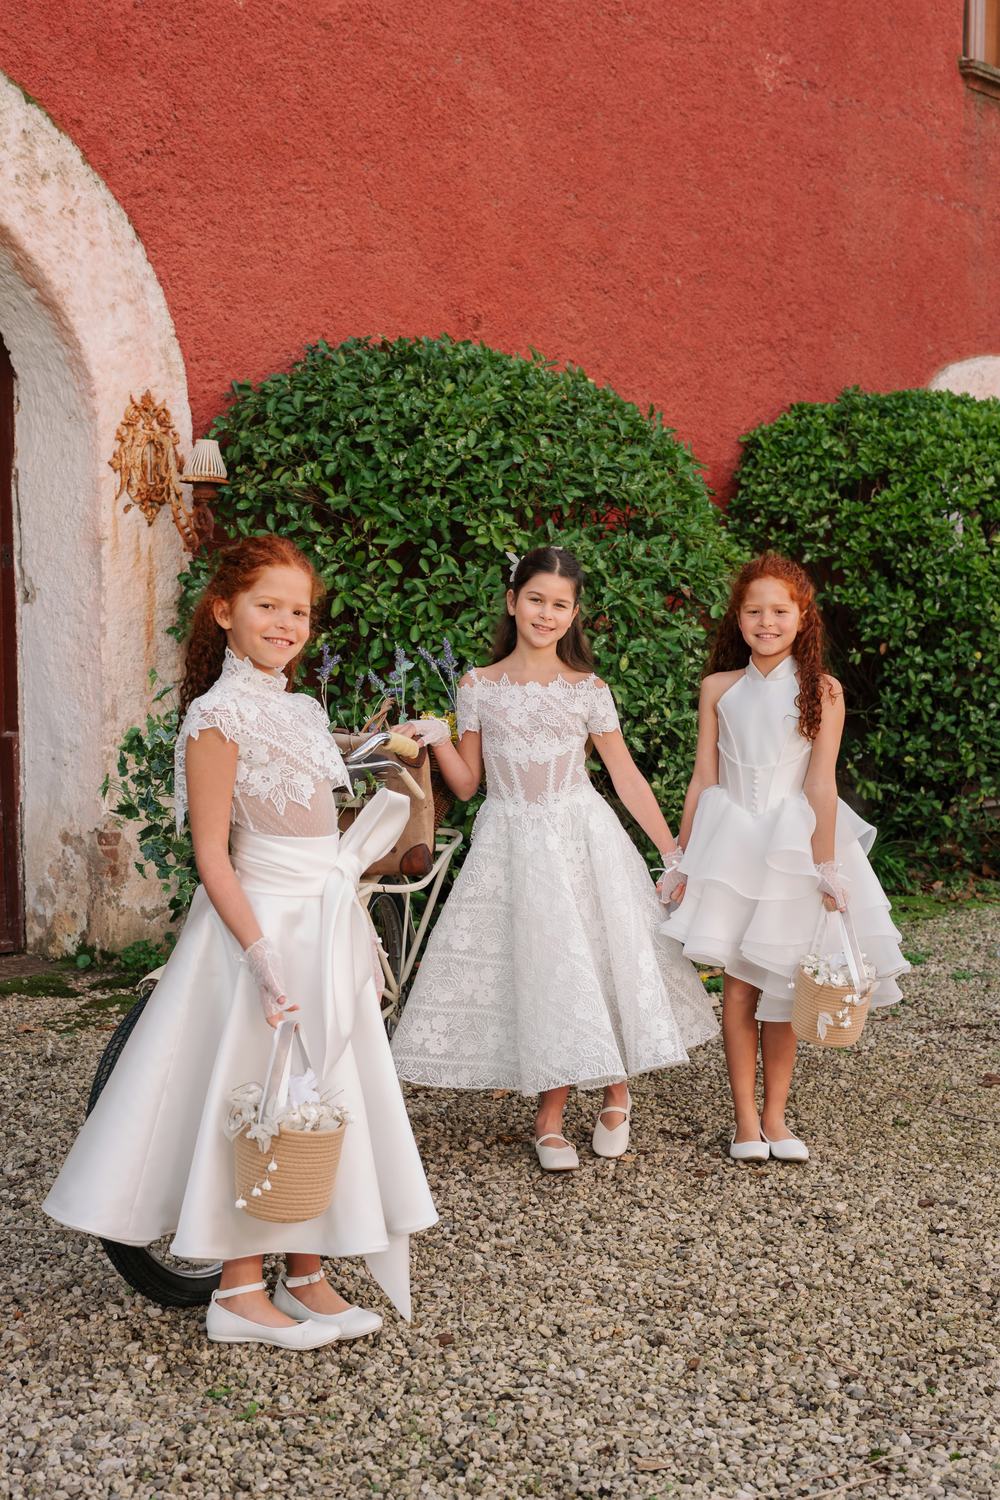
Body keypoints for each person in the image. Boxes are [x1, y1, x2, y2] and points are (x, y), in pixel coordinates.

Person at [44, 535, 437, 1346]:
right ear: (225, 611)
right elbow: (214, 854)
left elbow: (320, 822)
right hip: (258, 925)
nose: (287, 623)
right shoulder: (215, 717)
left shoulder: (302, 709)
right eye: (268, 606)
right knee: (254, 1097)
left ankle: (306, 1272)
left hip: (321, 919)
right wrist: (258, 952)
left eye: (300, 611)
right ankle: (237, 1291)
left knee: (320, 1095)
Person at [390, 545, 718, 1170]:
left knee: (598, 956)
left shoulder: (587, 690)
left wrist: (672, 852)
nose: (546, 614)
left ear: (573, 615)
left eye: (560, 605)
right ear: (512, 602)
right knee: (545, 965)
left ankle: (616, 1091)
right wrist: (437, 740)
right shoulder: (478, 686)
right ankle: (549, 1116)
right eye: (536, 599)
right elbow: (468, 785)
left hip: (581, 836)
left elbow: (625, 776)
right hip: (512, 842)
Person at [662, 553, 908, 1162]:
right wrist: (681, 858)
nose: (766, 622)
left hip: (792, 847)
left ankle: (776, 1116)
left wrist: (826, 868)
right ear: (738, 618)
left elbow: (820, 783)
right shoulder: (718, 689)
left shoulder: (822, 691)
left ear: (803, 617)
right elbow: (703, 778)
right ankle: (745, 1121)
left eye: (779, 611)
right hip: (729, 846)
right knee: (739, 985)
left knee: (781, 986)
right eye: (754, 611)